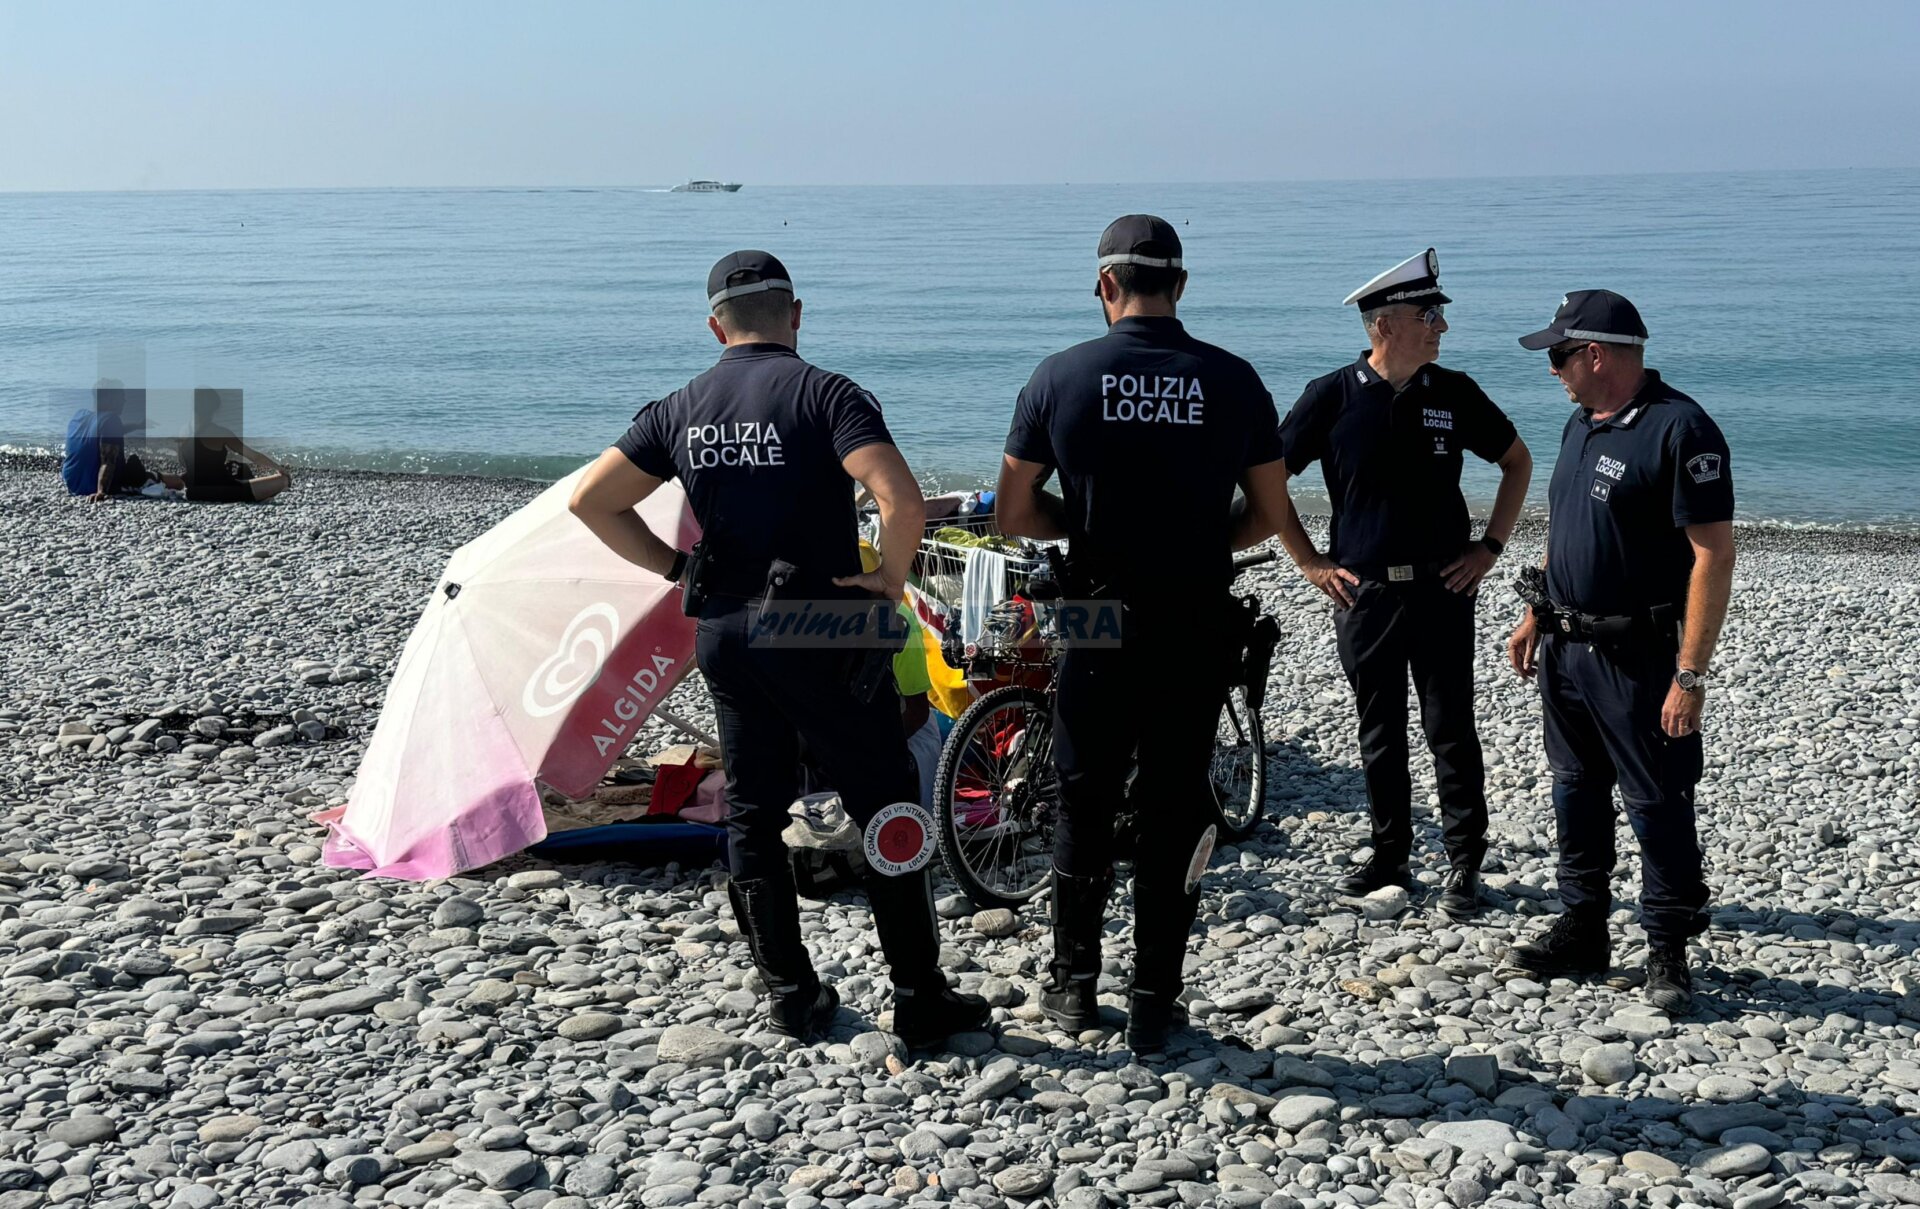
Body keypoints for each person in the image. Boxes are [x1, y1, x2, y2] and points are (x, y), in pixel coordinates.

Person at [569, 250, 988, 1046]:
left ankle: (791, 992)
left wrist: (675, 566)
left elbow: (594, 500)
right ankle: (918, 994)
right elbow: (897, 500)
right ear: (796, 314)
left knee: (754, 813)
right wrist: (891, 583)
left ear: (714, 325)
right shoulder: (826, 394)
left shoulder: (680, 406)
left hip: (727, 626)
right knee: (885, 802)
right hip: (821, 627)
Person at [995, 215, 1290, 1053]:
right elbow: (1269, 515)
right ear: (1182, 287)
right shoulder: (1233, 381)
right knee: (1176, 798)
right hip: (1193, 612)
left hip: (1095, 611)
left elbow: (1017, 511)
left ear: (1104, 286)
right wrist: (1200, 545)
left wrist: (1086, 526)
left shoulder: (1060, 377)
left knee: (1081, 791)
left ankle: (1074, 984)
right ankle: (1157, 994)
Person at [1271, 250, 1532, 918]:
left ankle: (1463, 863)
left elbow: (1516, 461)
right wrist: (1307, 560)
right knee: (1379, 731)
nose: (1440, 325)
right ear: (1384, 325)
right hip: (1366, 596)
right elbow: (1268, 479)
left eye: (1438, 313)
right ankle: (1390, 854)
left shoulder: (1453, 392)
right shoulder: (1329, 396)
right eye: (1429, 314)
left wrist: (1490, 548)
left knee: (1451, 728)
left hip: (1443, 591)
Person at [1505, 290, 1734, 1014]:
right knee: (1574, 788)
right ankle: (1584, 925)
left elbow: (1713, 556)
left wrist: (1689, 675)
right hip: (1566, 650)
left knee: (1655, 798)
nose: (1553, 371)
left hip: (1637, 656)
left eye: (1558, 355)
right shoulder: (1582, 424)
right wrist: (1535, 610)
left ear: (1595, 354)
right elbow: (1565, 523)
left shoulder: (1680, 430)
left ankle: (1667, 944)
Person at [62, 381, 180, 500]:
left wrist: (138, 425)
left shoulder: (80, 415)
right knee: (151, 475)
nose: (124, 401)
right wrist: (101, 491)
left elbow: (106, 434)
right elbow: (108, 461)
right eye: (121, 397)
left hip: (73, 483)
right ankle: (182, 482)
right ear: (109, 398)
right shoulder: (111, 420)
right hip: (94, 485)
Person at [180, 388, 292, 502]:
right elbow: (254, 457)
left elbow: (186, 463)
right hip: (224, 492)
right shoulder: (220, 432)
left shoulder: (184, 431)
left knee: (241, 470)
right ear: (216, 408)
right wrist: (280, 468)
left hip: (194, 493)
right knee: (282, 480)